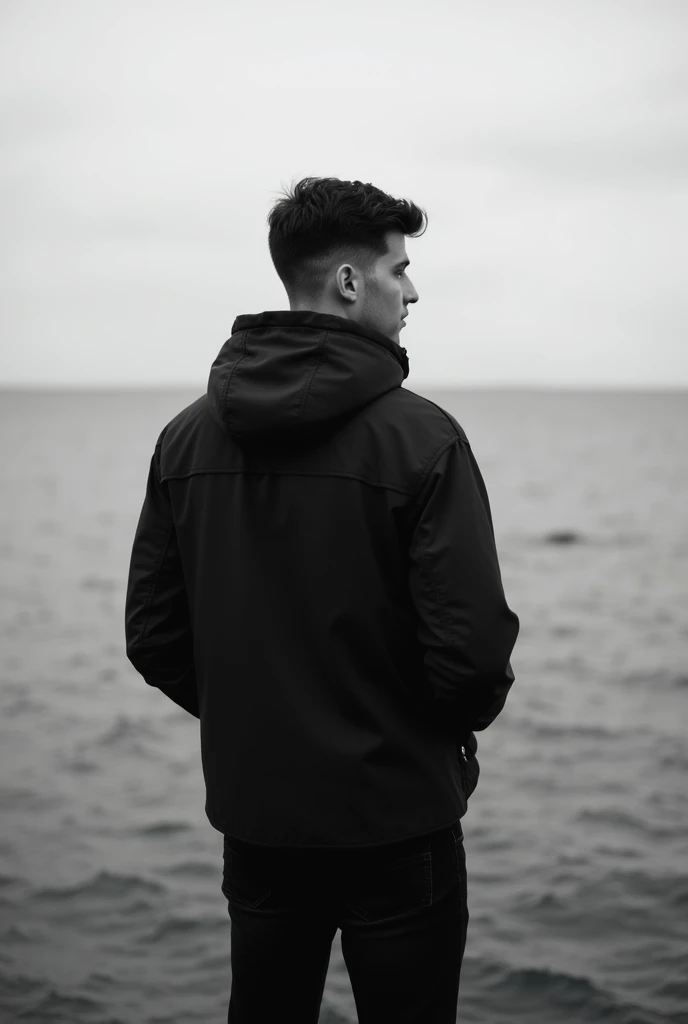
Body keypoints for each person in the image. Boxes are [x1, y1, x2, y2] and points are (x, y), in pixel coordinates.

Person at [125, 176, 520, 1023]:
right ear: (349, 281)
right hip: (400, 817)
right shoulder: (425, 439)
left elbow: (154, 635)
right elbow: (475, 655)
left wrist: (261, 718)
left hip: (260, 818)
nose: (412, 291)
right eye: (398, 270)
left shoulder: (185, 437)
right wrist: (413, 738)